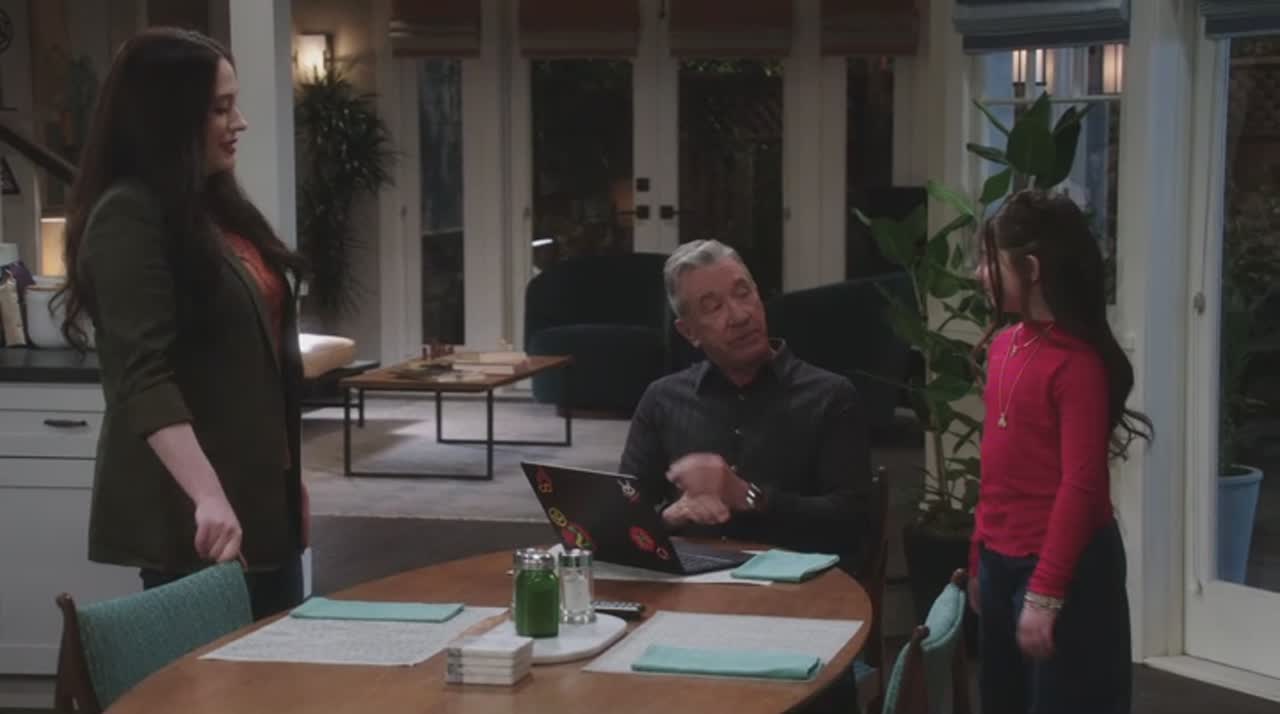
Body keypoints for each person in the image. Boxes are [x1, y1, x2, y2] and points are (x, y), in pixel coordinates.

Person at [56, 28, 310, 620]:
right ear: (169, 118)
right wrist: (208, 496)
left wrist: (286, 478)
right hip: (199, 519)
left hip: (260, 503)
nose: (239, 122)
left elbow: (259, 360)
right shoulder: (128, 215)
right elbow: (141, 376)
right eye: (220, 108)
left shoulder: (214, 208)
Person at [970, 189, 1153, 714]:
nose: (979, 274)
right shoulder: (1004, 346)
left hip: (1065, 570)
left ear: (1031, 269)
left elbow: (1081, 484)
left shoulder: (1078, 365)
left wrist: (1045, 594)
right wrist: (980, 555)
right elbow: (997, 469)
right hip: (1002, 562)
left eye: (990, 262)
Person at [619, 239, 874, 572]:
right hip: (690, 587)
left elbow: (853, 522)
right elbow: (624, 518)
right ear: (689, 332)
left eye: (743, 294)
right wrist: (671, 516)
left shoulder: (830, 395)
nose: (740, 315)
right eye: (713, 307)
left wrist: (748, 496)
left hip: (799, 586)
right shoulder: (662, 399)